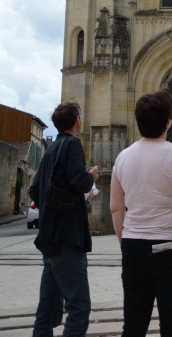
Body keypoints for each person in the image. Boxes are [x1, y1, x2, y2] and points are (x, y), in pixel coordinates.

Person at [110, 90, 172, 337]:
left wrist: (126, 240)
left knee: (134, 325)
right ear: (169, 120)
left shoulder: (123, 157)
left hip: (133, 246)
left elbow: (116, 207)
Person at [29, 101, 98, 337]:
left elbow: (34, 189)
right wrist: (90, 177)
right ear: (77, 121)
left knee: (46, 312)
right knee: (79, 308)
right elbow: (78, 181)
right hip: (68, 236)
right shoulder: (72, 144)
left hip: (49, 238)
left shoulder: (50, 149)